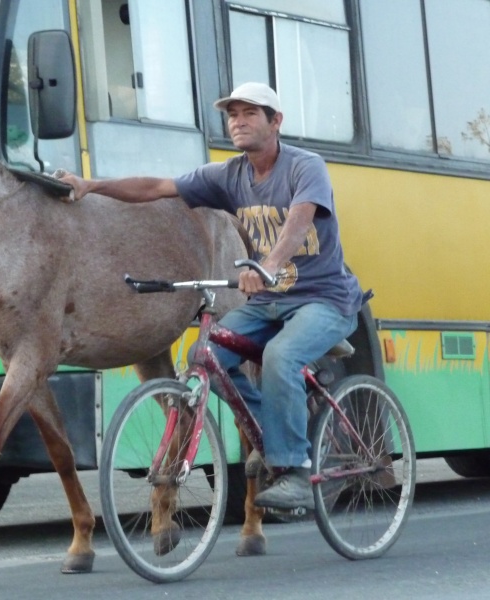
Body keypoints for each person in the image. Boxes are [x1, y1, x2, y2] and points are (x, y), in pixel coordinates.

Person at [58, 82, 364, 510]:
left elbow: (298, 221)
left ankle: (294, 469)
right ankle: (271, 426)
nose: (238, 121)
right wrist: (91, 185)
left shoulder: (304, 166)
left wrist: (269, 265)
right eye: (232, 114)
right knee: (210, 359)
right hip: (267, 304)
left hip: (323, 299)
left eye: (250, 113)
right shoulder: (229, 174)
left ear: (276, 122)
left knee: (280, 357)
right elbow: (157, 188)